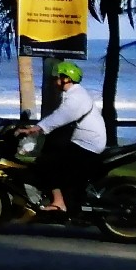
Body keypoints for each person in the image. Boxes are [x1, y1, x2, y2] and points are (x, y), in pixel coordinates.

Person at [32, 59, 104, 215]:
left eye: (57, 77)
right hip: (85, 141)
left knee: (47, 163)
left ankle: (58, 203)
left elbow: (62, 115)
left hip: (87, 144)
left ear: (66, 78)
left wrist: (39, 128)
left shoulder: (76, 97)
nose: (55, 81)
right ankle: (68, 200)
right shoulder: (75, 94)